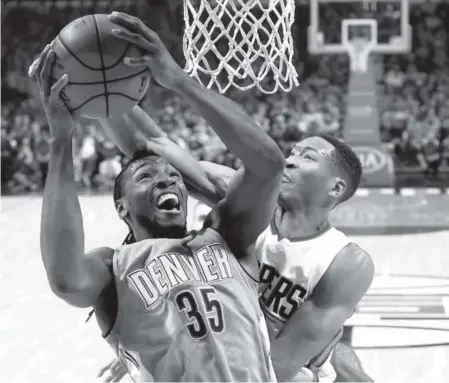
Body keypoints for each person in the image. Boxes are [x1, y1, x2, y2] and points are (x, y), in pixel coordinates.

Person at [31, 11, 287, 381]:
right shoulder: (113, 267)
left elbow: (267, 164)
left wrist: (179, 81)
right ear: (121, 206)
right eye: (146, 175)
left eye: (172, 175)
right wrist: (60, 140)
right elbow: (65, 279)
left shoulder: (225, 235)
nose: (167, 180)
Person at [94, 106, 375, 382]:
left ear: (335, 188)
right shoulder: (242, 200)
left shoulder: (342, 261)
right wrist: (101, 96)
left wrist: (177, 359)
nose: (290, 161)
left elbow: (280, 364)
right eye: (292, 153)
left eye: (308, 157)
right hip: (224, 357)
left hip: (282, 370)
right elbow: (150, 146)